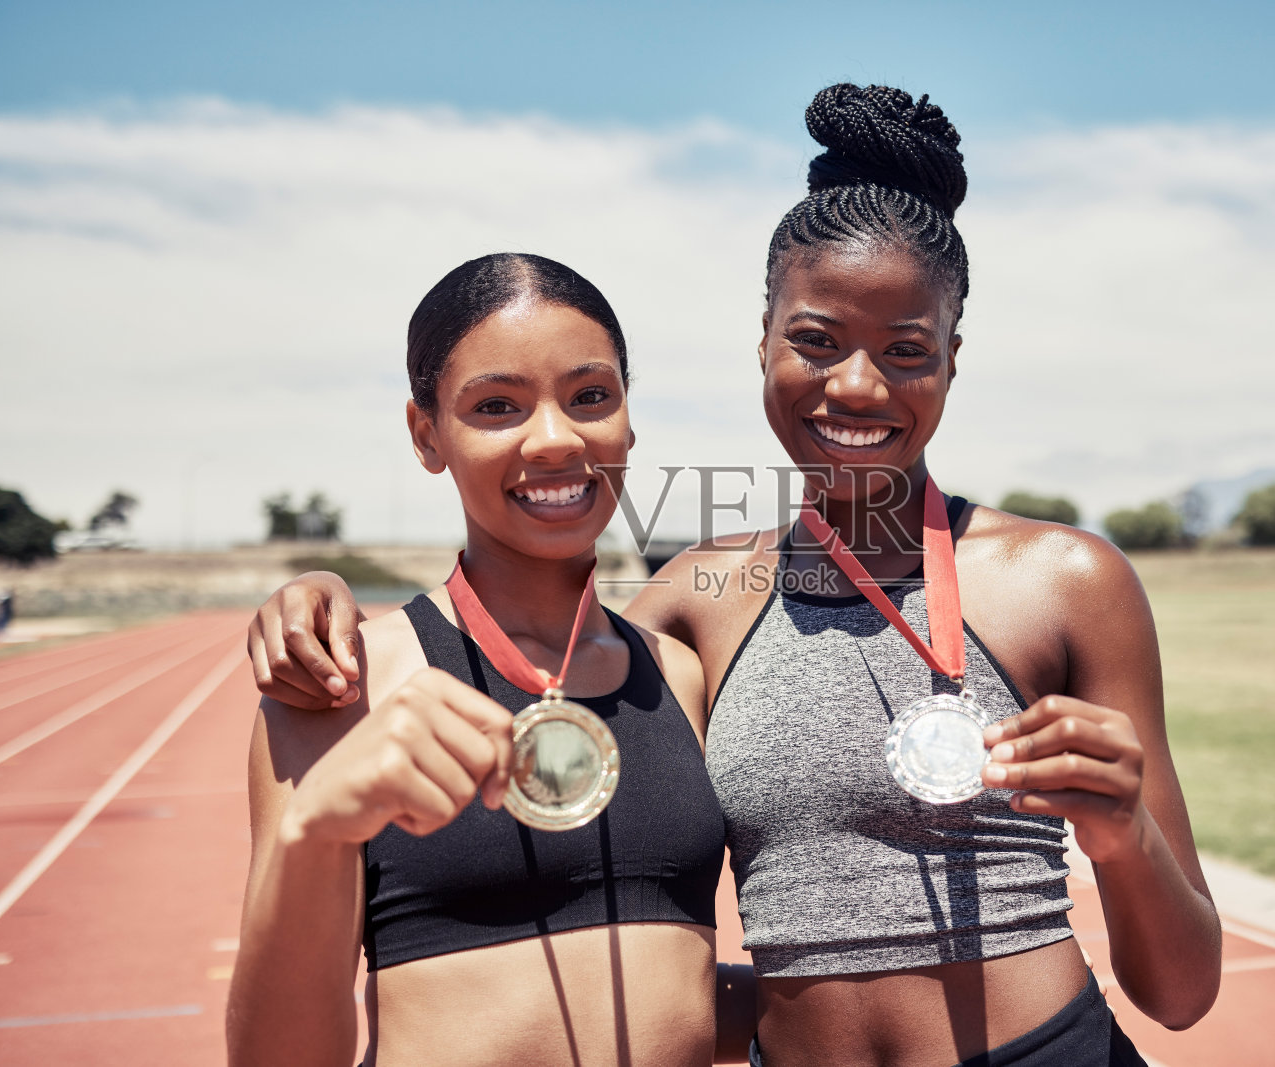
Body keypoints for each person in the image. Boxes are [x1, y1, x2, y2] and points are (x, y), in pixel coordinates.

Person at [250, 85, 1221, 1066]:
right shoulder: (689, 611)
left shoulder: (1065, 579)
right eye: (815, 340)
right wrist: (316, 590)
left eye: (906, 351)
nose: (855, 384)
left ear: (952, 361)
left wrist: (1123, 832)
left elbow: (1181, 992)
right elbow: (518, 626)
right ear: (761, 340)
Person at [227, 253, 751, 1067]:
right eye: (497, 406)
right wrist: (315, 831)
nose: (555, 439)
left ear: (628, 421)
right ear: (426, 434)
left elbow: (674, 982)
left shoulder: (679, 675)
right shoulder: (339, 686)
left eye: (590, 396)